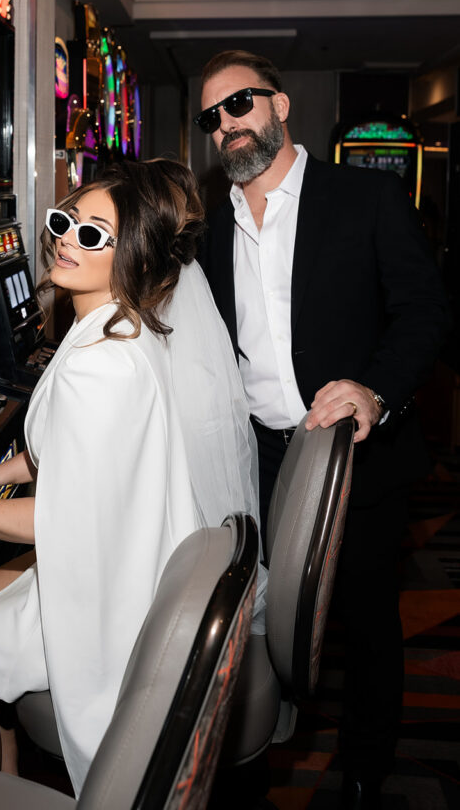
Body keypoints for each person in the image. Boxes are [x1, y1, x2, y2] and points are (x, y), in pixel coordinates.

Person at [0, 158, 262, 795]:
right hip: (123, 558)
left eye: (94, 234)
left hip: (106, 594)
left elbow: (54, 520)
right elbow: (62, 450)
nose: (67, 239)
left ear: (135, 257)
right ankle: (7, 782)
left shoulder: (103, 365)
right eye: (67, 222)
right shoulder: (119, 325)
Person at [196, 50, 450, 808]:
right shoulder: (211, 233)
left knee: (366, 620)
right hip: (261, 458)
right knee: (274, 619)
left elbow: (425, 311)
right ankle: (263, 749)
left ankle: (366, 769)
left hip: (354, 454)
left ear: (278, 105)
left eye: (239, 104)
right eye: (211, 118)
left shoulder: (364, 197)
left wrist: (375, 391)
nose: (227, 126)